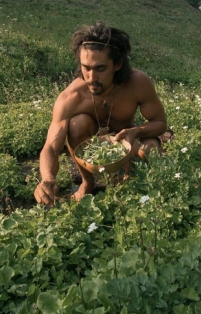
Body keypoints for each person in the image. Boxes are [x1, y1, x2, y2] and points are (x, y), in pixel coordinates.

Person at [34, 22, 168, 206]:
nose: (91, 77)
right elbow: (50, 146)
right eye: (86, 68)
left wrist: (136, 131)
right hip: (95, 144)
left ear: (118, 64)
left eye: (100, 69)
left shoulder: (138, 84)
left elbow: (160, 122)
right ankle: (88, 183)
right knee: (76, 124)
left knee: (150, 151)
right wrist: (47, 179)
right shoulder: (72, 96)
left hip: (128, 139)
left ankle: (132, 178)